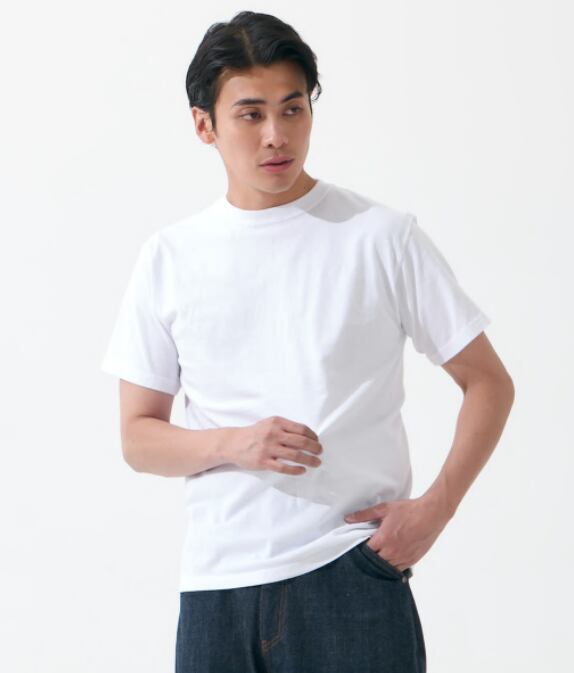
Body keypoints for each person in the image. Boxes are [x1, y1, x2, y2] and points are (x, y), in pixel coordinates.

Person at [100, 10, 514, 673]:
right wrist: (234, 443)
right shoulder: (170, 258)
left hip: (350, 574)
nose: (277, 134)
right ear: (204, 125)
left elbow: (488, 381)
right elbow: (138, 437)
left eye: (293, 109)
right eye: (251, 114)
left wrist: (436, 510)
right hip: (216, 589)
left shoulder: (380, 236)